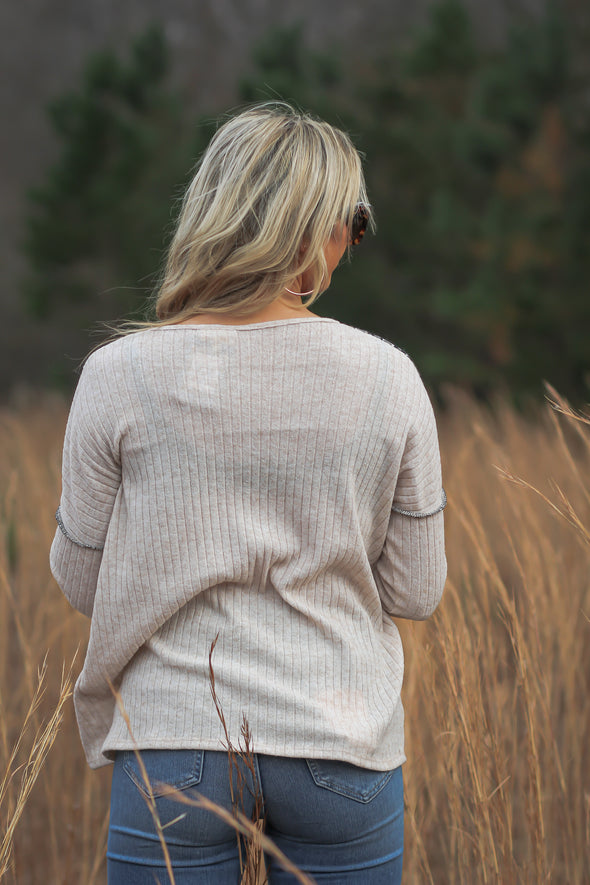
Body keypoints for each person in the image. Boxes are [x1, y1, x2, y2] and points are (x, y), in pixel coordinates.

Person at [50, 103, 447, 884]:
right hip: (342, 744)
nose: (349, 247)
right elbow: (417, 589)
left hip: (173, 745)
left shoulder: (116, 373)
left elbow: (79, 579)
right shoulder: (389, 376)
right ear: (312, 230)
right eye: (352, 225)